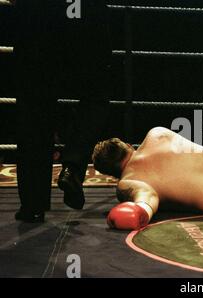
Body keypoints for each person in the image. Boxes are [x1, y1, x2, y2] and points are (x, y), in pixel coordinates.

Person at [14, 0, 111, 222]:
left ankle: (32, 204)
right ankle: (73, 167)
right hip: (84, 14)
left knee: (34, 107)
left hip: (37, 17)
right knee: (96, 96)